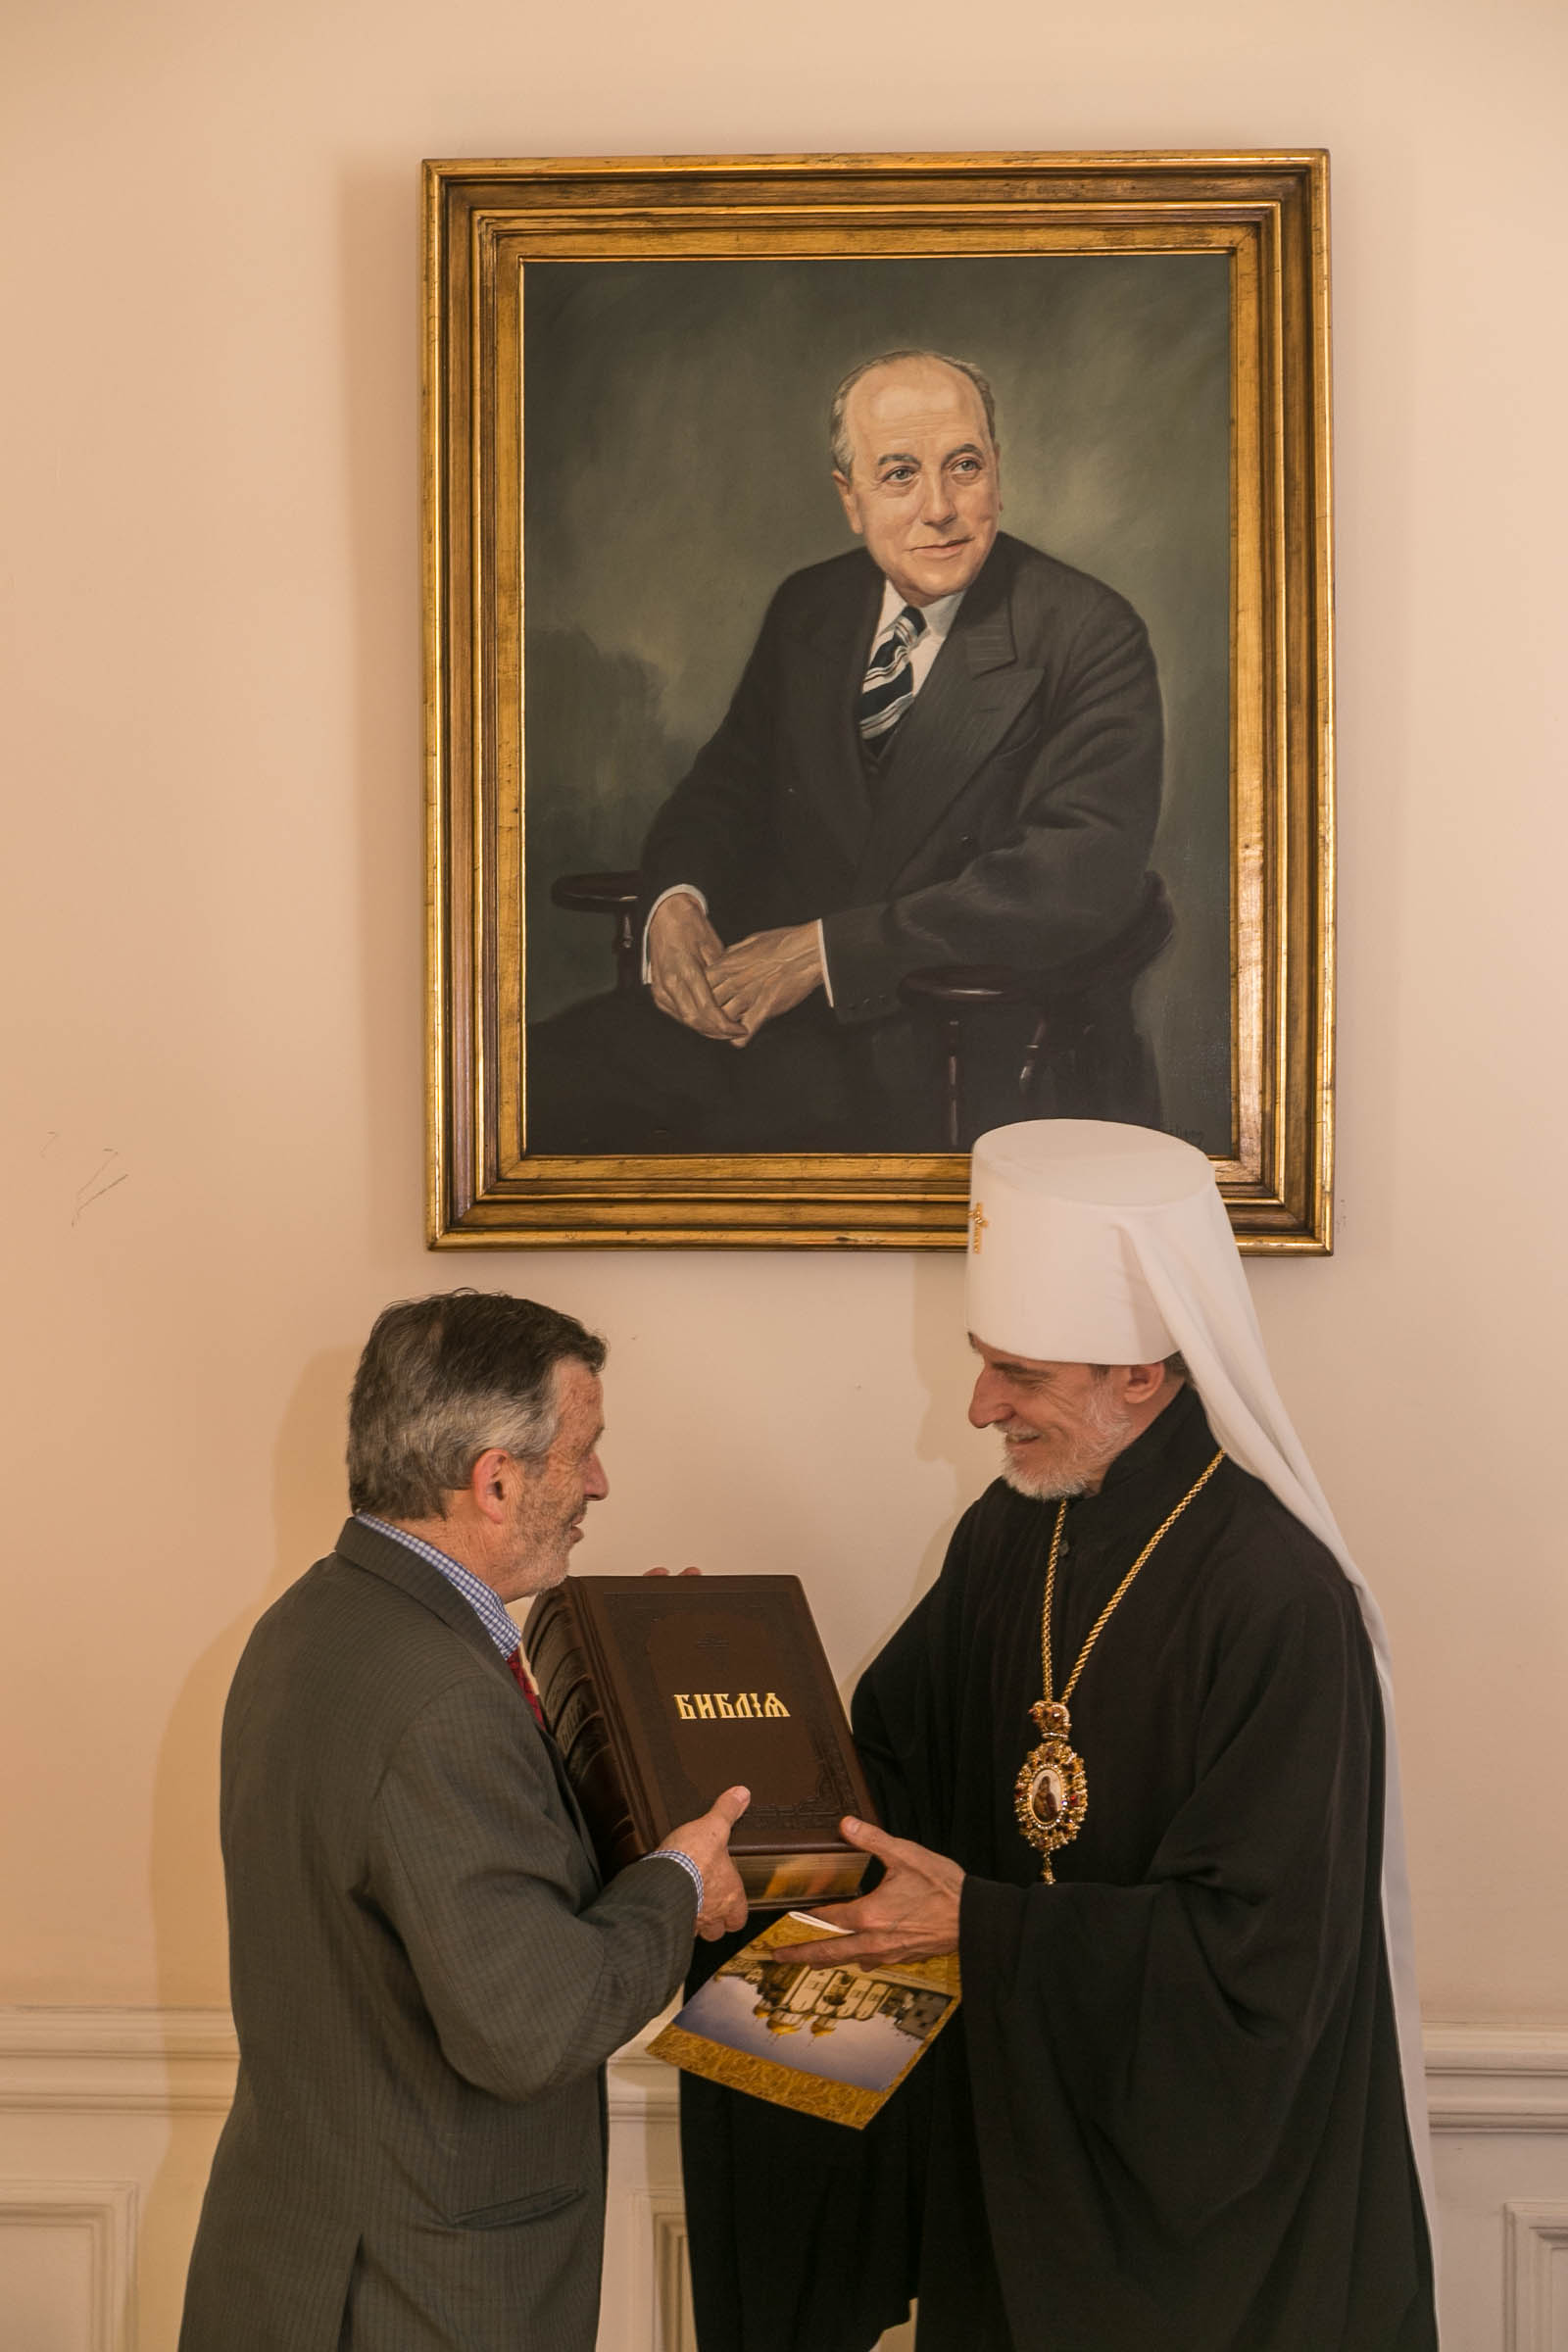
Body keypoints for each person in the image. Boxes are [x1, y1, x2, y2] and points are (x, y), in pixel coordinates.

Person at [680, 1122, 1438, 2351]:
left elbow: (1265, 1962)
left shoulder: (1277, 1597)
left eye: (1017, 1375)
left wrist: (985, 1927)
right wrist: (696, 1707)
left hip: (1207, 2237)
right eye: (986, 1366)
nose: (980, 1405)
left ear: (1136, 1374)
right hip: (1014, 2168)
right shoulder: (1007, 1535)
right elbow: (881, 1784)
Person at [178, 1291, 750, 2352]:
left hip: (302, 2264)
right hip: (415, 2297)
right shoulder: (445, 1698)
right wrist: (678, 1880)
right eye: (581, 1452)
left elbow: (465, 1883)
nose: (598, 1484)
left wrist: (635, 1699)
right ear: (495, 1480)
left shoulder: (311, 1622)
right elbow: (533, 2029)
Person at [527, 349, 1165, 1152]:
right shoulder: (812, 607)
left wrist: (823, 953)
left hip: (955, 1045)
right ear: (850, 499)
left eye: (964, 466)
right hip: (752, 1027)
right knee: (525, 1094)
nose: (940, 508)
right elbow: (726, 786)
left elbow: (1073, 877)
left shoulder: (1087, 632)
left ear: (998, 473)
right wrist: (676, 905)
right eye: (899, 474)